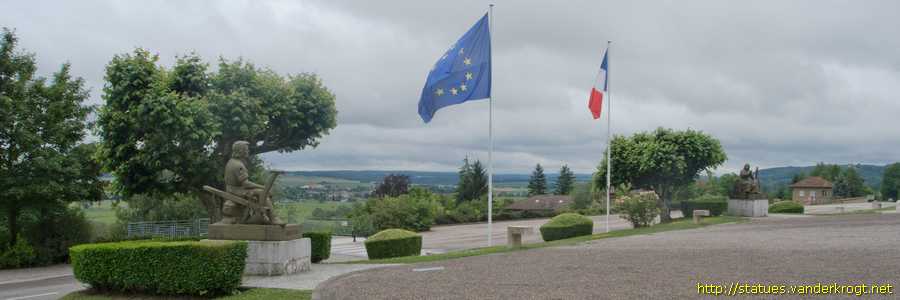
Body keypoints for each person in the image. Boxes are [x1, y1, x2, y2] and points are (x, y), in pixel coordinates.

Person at [221, 140, 284, 225]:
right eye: (246, 150)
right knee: (262, 192)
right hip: (237, 191)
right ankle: (273, 218)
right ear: (240, 151)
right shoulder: (238, 165)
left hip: (233, 189)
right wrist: (263, 187)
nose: (248, 151)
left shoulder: (231, 162)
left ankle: (265, 215)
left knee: (262, 192)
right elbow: (246, 184)